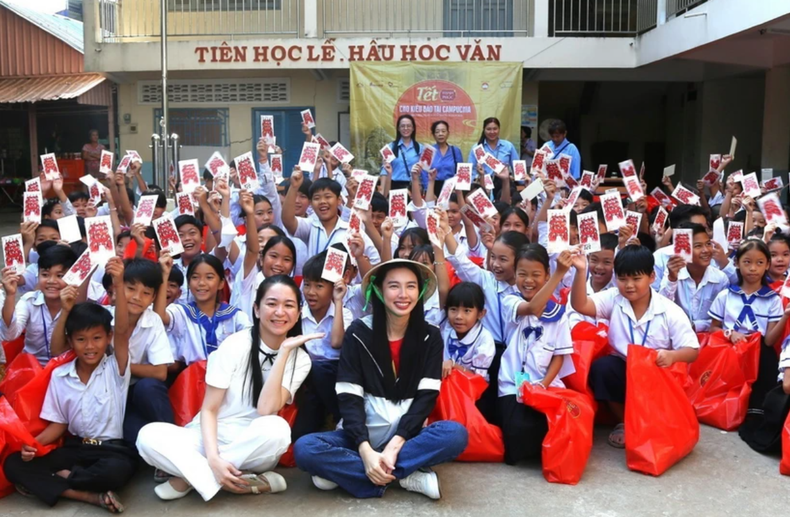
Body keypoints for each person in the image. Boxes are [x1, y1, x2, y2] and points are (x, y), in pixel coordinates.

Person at [293, 260, 468, 500]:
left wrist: (396, 445)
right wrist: (365, 450)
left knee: (455, 434)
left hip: (408, 436)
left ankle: (356, 473)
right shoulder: (357, 332)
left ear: (420, 291)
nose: (403, 295)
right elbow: (349, 396)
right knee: (305, 449)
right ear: (379, 289)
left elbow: (426, 397)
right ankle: (402, 474)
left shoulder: (430, 336)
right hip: (359, 434)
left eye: (411, 286)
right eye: (394, 286)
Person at [136, 276, 319, 501]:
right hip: (208, 437)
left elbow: (265, 409)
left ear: (299, 313)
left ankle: (191, 478)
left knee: (278, 429)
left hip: (253, 445)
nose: (280, 311)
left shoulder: (300, 359)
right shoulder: (235, 344)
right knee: (147, 436)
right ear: (257, 309)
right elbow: (210, 409)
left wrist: (283, 354)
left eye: (288, 305)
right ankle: (231, 480)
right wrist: (213, 458)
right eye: (272, 303)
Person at [3, 260, 134, 513]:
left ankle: (63, 480)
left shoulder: (115, 368)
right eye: (81, 340)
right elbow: (59, 424)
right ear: (71, 342)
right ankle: (86, 495)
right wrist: (33, 446)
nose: (90, 346)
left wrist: (118, 283)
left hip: (110, 451)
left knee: (117, 472)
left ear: (107, 337)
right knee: (14, 464)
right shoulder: (60, 375)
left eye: (97, 338)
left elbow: (123, 332)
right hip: (75, 448)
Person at [570, 245, 700, 448]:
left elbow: (693, 350)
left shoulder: (669, 311)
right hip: (624, 367)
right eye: (623, 279)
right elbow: (580, 305)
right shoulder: (614, 298)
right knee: (601, 368)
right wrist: (580, 271)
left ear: (651, 277)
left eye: (636, 279)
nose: (629, 285)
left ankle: (651, 419)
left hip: (657, 371)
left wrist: (672, 356)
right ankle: (624, 420)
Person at [499, 246, 575, 465]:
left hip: (546, 386)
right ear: (515, 275)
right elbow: (533, 307)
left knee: (561, 425)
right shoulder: (511, 301)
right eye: (522, 274)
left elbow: (559, 357)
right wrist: (560, 273)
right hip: (512, 386)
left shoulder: (559, 314)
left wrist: (543, 384)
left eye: (536, 274)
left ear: (546, 276)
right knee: (518, 434)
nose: (528, 280)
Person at [708, 239, 787, 408]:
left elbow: (769, 341)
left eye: (759, 263)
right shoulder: (725, 295)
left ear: (767, 265)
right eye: (747, 262)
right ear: (736, 263)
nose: (753, 268)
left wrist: (786, 316)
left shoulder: (772, 300)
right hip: (730, 349)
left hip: (758, 353)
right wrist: (730, 334)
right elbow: (713, 327)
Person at [155, 252, 251, 375]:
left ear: (221, 283)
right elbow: (159, 316)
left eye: (209, 277)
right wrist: (164, 274)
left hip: (230, 378)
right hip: (192, 381)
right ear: (188, 283)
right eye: (195, 277)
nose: (201, 283)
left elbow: (251, 339)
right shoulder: (182, 313)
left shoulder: (235, 317)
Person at [292, 250, 352, 438]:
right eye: (307, 285)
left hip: (335, 374)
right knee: (299, 434)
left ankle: (343, 417)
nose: (311, 292)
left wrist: (338, 301)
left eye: (319, 286)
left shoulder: (345, 313)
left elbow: (336, 343)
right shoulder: (298, 314)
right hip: (307, 377)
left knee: (319, 369)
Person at [0, 245, 78, 366]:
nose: (51, 281)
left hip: (66, 368)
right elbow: (9, 335)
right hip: (31, 368)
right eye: (45, 275)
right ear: (38, 275)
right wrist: (10, 295)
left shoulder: (80, 304)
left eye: (60, 276)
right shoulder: (29, 301)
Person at [659, 223, 729, 332]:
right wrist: (672, 279)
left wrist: (696, 326)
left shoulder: (720, 278)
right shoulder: (673, 274)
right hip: (677, 334)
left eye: (708, 244)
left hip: (710, 339)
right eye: (698, 246)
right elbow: (662, 308)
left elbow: (723, 318)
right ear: (684, 250)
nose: (706, 250)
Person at [567, 233, 618, 328]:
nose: (599, 267)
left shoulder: (618, 294)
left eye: (607, 262)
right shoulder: (576, 292)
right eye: (594, 260)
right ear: (587, 258)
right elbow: (573, 323)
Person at [469, 117, 519, 184]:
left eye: (495, 129)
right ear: (484, 130)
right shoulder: (477, 148)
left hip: (503, 185)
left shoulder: (508, 146)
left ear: (499, 129)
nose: (492, 132)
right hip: (482, 185)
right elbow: (472, 171)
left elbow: (517, 168)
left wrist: (522, 181)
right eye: (488, 129)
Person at [380, 115, 421, 193]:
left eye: (408, 126)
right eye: (402, 126)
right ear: (398, 128)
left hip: (413, 188)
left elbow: (424, 172)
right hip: (394, 187)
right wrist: (382, 192)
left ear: (413, 128)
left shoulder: (420, 148)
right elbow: (384, 171)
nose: (406, 128)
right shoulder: (389, 147)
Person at [421, 121, 463, 195]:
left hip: (451, 188)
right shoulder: (429, 151)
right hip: (433, 187)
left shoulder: (455, 150)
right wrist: (428, 190)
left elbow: (460, 171)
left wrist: (457, 190)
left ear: (448, 133)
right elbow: (424, 173)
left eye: (443, 131)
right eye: (437, 132)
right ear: (433, 135)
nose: (441, 134)